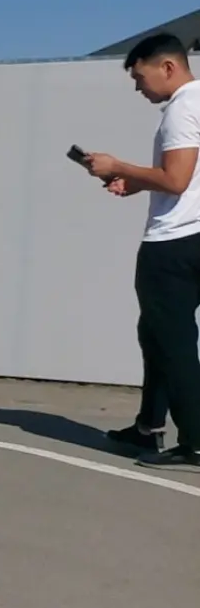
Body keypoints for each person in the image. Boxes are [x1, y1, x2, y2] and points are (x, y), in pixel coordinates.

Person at [82, 31, 200, 470]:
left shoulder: (183, 107)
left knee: (173, 343)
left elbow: (176, 180)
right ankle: (149, 426)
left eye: (139, 76)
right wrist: (134, 182)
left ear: (167, 67)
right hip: (193, 235)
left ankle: (196, 440)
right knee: (154, 334)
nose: (138, 87)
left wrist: (118, 166)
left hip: (173, 244)